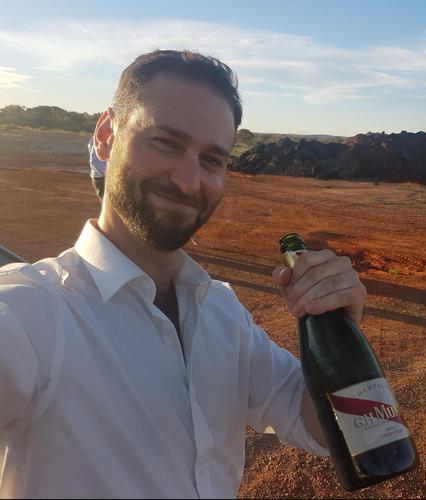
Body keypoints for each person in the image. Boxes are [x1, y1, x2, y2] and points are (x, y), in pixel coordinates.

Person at [0, 50, 367, 499]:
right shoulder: (31, 313)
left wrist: (344, 332)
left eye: (212, 160)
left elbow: (319, 421)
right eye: (167, 143)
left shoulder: (220, 311)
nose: (190, 181)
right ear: (107, 136)